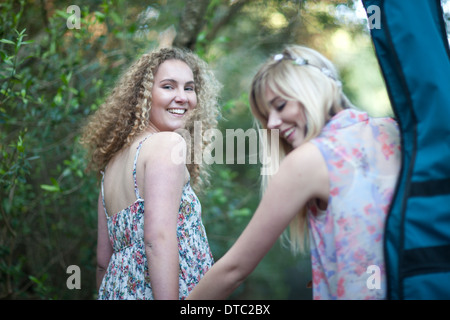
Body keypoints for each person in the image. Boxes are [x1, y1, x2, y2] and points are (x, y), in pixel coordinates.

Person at [187, 45, 401, 300]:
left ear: (311, 90)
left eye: (280, 106)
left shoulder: (310, 159)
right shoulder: (394, 132)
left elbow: (234, 270)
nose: (273, 124)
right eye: (267, 116)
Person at [80, 46, 221, 300]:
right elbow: (157, 240)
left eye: (189, 88)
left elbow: (103, 261)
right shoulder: (166, 144)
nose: (182, 97)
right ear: (144, 95)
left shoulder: (111, 165)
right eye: (168, 86)